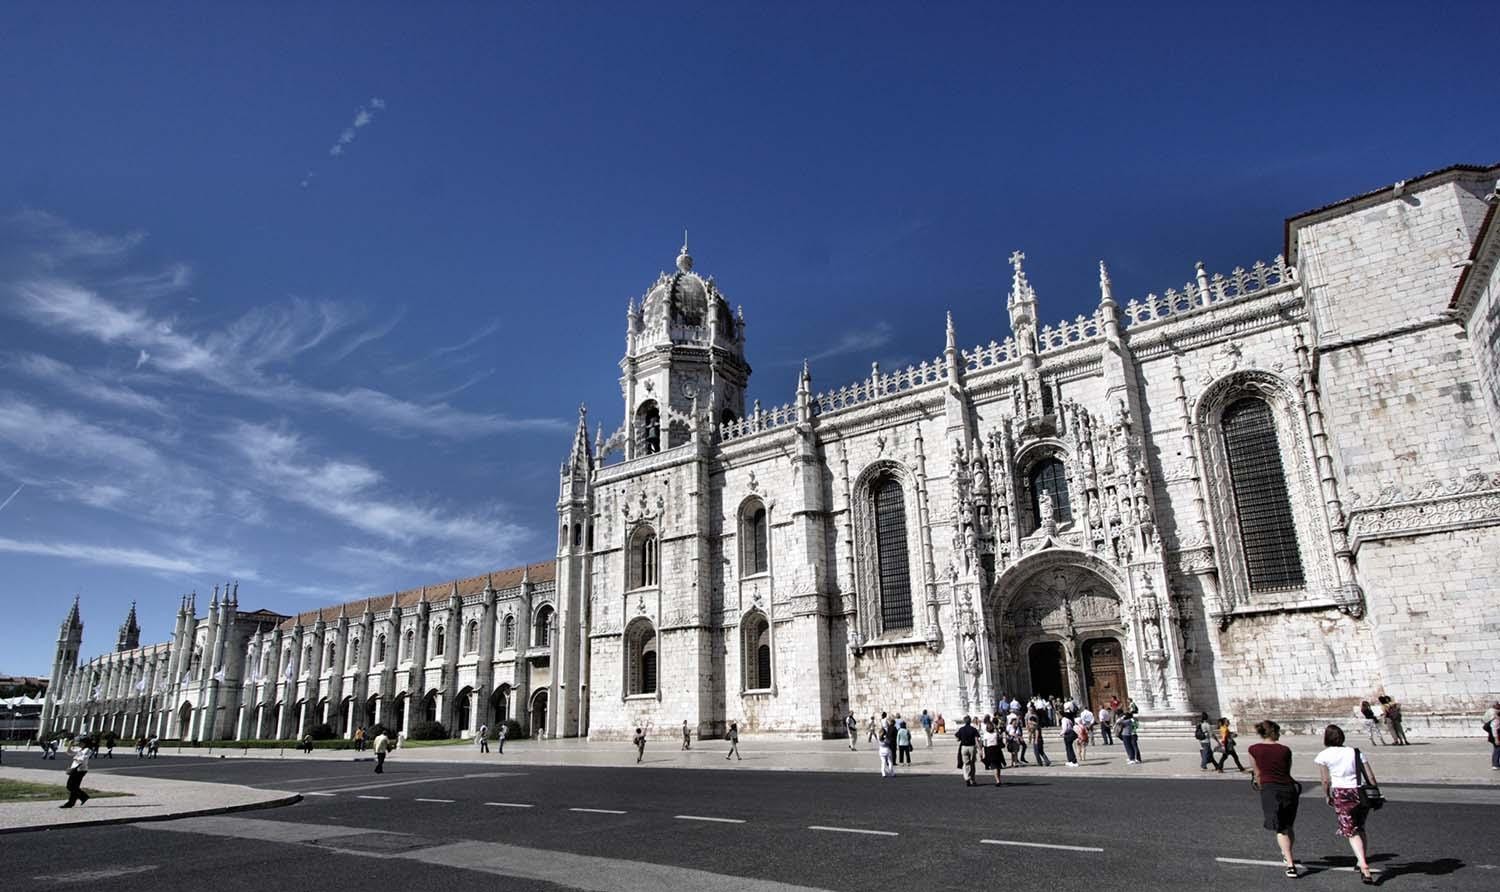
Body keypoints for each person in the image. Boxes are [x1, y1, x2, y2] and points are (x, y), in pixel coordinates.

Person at [1314, 724, 1378, 884]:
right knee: (1360, 826)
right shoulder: (1355, 752)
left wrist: (1327, 795)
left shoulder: (1323, 755)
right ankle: (1360, 859)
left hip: (1342, 793)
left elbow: (1325, 780)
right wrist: (1375, 793)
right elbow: (1371, 776)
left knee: (1351, 830)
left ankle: (1364, 866)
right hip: (1360, 792)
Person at [1248, 719, 1300, 879]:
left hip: (1270, 789)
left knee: (1280, 827)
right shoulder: (1285, 750)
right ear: (1274, 732)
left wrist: (1258, 784)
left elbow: (1257, 773)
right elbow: (1287, 770)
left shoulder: (1253, 749)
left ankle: (1290, 863)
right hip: (1289, 788)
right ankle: (1288, 853)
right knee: (1288, 825)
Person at [59, 736, 94, 808]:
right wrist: (69, 745)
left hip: (81, 770)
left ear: (85, 743)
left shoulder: (88, 750)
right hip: (75, 769)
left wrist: (75, 758)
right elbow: (69, 752)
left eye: (81, 743)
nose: (79, 744)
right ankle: (72, 802)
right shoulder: (80, 749)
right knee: (73, 787)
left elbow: (83, 759)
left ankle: (82, 797)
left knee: (71, 786)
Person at [954, 715, 980, 786]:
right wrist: (980, 749)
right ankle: (972, 779)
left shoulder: (961, 729)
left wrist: (960, 738)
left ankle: (967, 778)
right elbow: (976, 740)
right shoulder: (973, 729)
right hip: (972, 747)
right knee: (972, 764)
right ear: (970, 721)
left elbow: (957, 738)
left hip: (964, 747)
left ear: (964, 721)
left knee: (966, 764)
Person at [981, 720, 1004, 786]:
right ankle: (998, 779)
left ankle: (997, 780)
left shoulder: (985, 735)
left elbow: (984, 744)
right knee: (998, 765)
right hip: (996, 749)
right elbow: (1000, 739)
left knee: (994, 766)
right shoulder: (995, 734)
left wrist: (982, 752)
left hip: (989, 750)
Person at [1485, 701, 1500, 770]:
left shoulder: (1489, 711)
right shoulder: (1495, 718)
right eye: (1498, 704)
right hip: (1495, 734)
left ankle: (1496, 764)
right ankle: (1495, 765)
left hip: (1493, 733)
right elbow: (1494, 727)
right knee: (1497, 748)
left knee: (1497, 748)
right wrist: (1496, 738)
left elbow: (1483, 720)